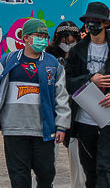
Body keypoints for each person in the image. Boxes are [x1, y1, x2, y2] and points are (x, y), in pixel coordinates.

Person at [0, 17, 70, 188]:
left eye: (45, 36)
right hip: (14, 129)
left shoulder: (53, 65)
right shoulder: (8, 61)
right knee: (19, 177)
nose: (42, 39)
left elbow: (62, 97)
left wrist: (61, 125)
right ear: (26, 38)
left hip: (43, 130)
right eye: (37, 35)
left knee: (46, 174)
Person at [63, 2, 110, 188]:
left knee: (106, 169)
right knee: (91, 171)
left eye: (95, 21)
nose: (91, 25)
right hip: (84, 121)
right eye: (88, 21)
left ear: (105, 23)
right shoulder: (77, 51)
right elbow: (68, 82)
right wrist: (90, 80)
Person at [46, 21, 83, 188]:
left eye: (71, 40)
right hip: (53, 108)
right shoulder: (49, 56)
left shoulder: (83, 55)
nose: (68, 44)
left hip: (77, 108)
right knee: (48, 156)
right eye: (64, 40)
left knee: (77, 154)